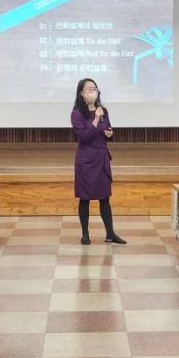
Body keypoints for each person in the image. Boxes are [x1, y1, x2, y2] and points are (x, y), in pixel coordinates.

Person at [71, 78, 126, 245]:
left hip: (101, 157)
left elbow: (106, 130)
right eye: (88, 89)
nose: (92, 91)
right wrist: (95, 119)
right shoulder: (77, 114)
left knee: (104, 198)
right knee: (85, 198)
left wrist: (110, 133)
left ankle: (110, 234)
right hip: (86, 159)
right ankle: (85, 234)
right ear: (81, 93)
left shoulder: (103, 111)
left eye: (94, 88)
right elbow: (84, 137)